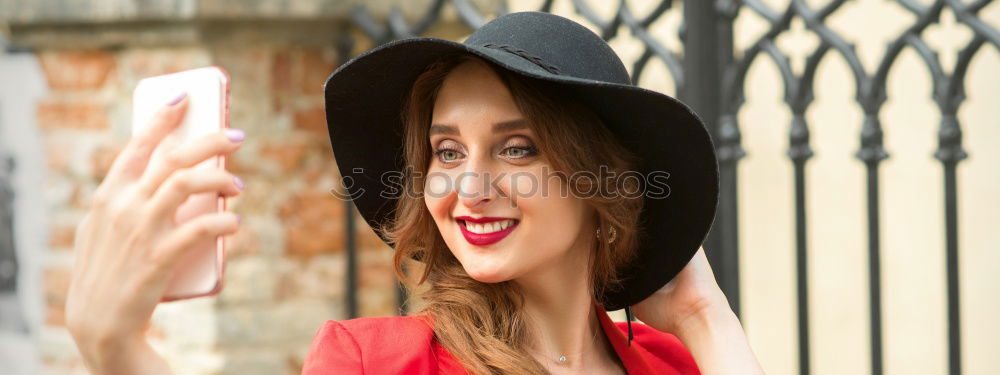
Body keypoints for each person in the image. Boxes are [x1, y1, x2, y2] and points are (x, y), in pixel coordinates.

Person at [66, 11, 763, 375]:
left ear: (599, 181)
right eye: (447, 151)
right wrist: (117, 349)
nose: (468, 188)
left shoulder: (671, 363)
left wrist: (705, 314)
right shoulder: (376, 360)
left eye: (516, 147)